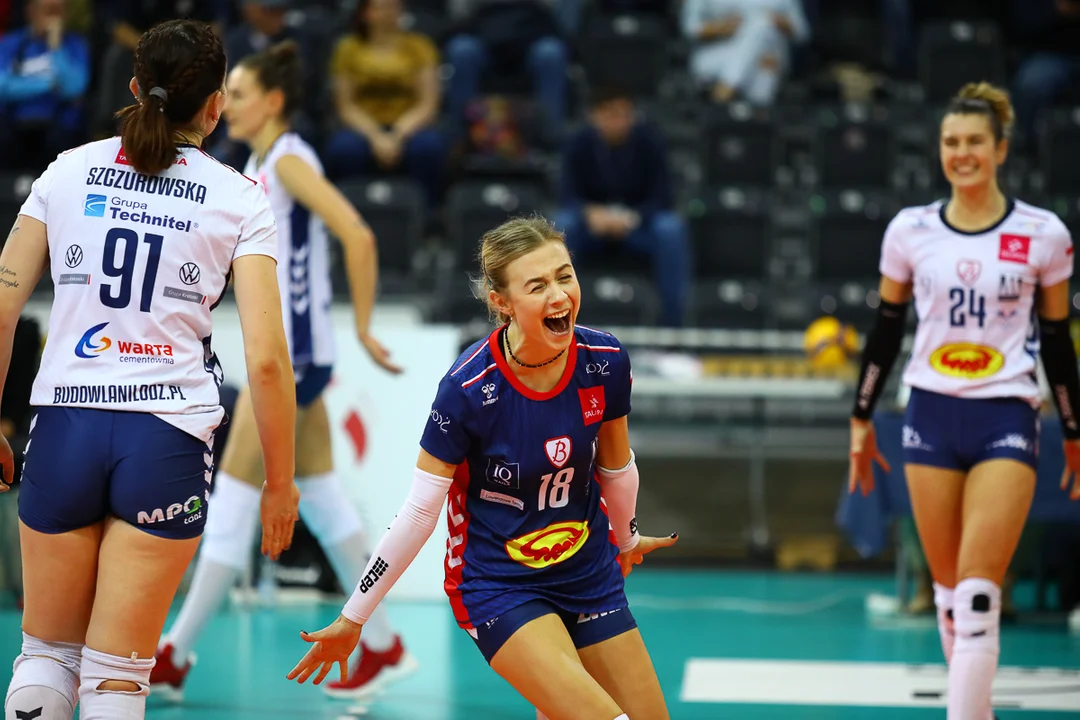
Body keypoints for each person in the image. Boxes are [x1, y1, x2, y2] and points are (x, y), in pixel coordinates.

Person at [1, 18, 299, 720]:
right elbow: (266, 361)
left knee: (45, 659)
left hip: (67, 426)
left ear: (135, 88)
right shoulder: (239, 196)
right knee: (116, 679)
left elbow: (3, 306)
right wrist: (279, 483)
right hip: (165, 440)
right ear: (217, 104)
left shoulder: (66, 171)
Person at [286, 215, 678, 720]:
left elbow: (616, 467)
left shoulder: (604, 359)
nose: (559, 295)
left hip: (587, 571)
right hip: (499, 583)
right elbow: (419, 514)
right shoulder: (468, 389)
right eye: (537, 286)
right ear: (502, 302)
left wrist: (626, 538)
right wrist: (354, 615)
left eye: (564, 276)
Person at [151, 39, 415, 702]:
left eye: (239, 94)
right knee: (321, 497)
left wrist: (362, 327)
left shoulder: (290, 160)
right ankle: (384, 644)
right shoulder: (257, 162)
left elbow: (357, 233)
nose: (227, 103)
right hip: (299, 357)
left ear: (272, 102)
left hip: (291, 361)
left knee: (236, 498)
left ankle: (174, 655)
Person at [848, 82, 1080, 720]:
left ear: (1001, 149)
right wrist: (861, 417)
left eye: (975, 141)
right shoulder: (911, 230)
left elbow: (1057, 341)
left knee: (979, 596)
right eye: (951, 142)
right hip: (929, 412)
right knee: (950, 596)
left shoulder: (1044, 233)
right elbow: (886, 330)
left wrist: (1074, 429)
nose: (962, 153)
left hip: (1006, 413)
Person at [324, 0, 445, 208]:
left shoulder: (420, 46)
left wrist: (397, 134)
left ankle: (427, 213)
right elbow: (346, 105)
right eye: (381, 7)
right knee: (344, 149)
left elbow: (428, 103)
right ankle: (347, 212)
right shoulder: (348, 48)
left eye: (393, 6)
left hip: (409, 125)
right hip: (363, 126)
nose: (388, 12)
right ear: (365, 13)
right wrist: (376, 137)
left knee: (428, 148)